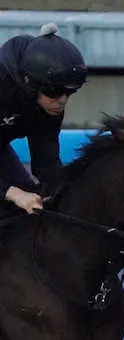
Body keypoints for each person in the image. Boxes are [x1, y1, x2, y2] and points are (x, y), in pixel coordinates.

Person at [0, 23, 87, 216]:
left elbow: (47, 164)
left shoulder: (50, 105)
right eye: (55, 92)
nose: (62, 100)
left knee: (30, 204)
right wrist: (11, 193)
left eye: (70, 92)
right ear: (29, 82)